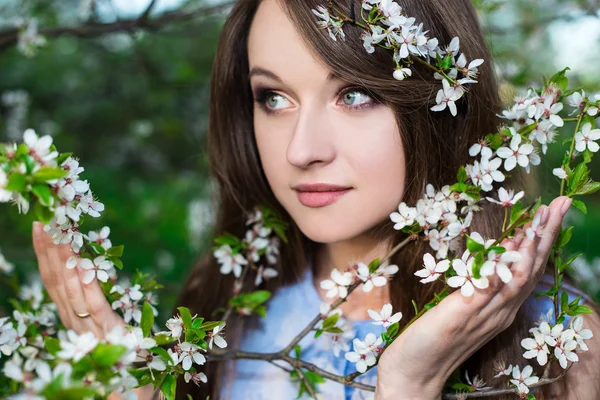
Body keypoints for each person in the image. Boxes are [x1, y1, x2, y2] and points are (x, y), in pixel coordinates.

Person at [31, 0, 600, 399]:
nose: (301, 150)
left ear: (438, 104)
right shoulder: (225, 308)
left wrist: (409, 386)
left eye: (354, 94)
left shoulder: (556, 342)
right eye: (272, 97)